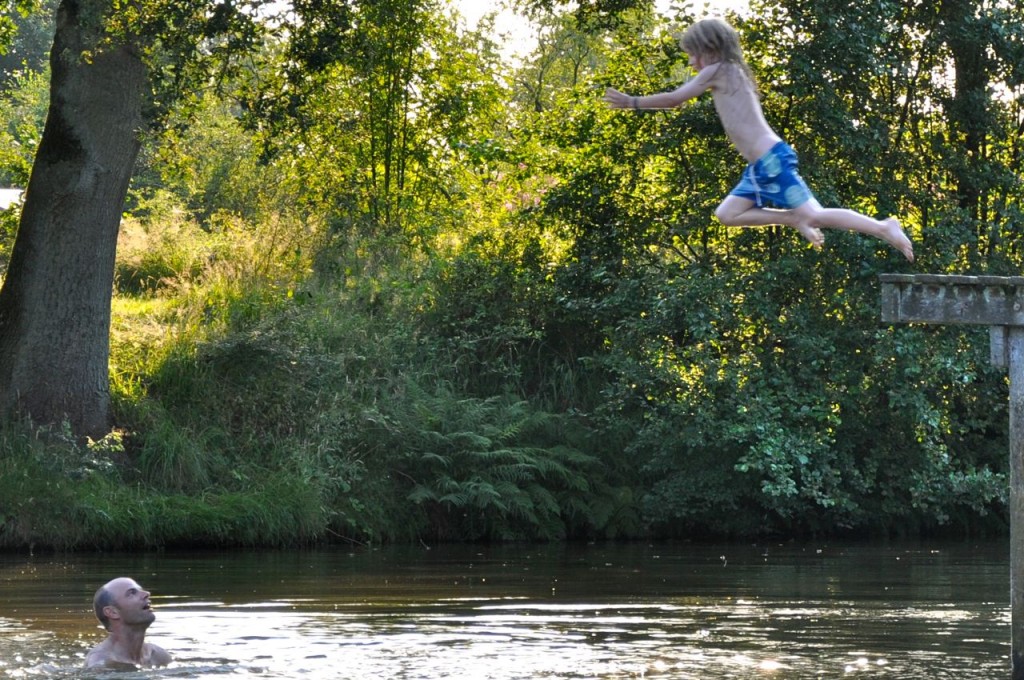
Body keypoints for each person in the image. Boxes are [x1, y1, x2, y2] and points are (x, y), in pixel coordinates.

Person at [603, 17, 914, 262]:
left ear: (710, 48)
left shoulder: (720, 70)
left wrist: (633, 102)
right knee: (726, 215)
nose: (692, 63)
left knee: (815, 216)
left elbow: (674, 100)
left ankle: (883, 227)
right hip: (760, 166)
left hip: (771, 161)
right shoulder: (730, 71)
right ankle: (794, 219)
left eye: (693, 55)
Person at [84, 577, 172, 669]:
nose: (146, 594)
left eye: (141, 590)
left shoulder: (158, 656)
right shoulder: (101, 664)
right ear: (113, 612)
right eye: (132, 593)